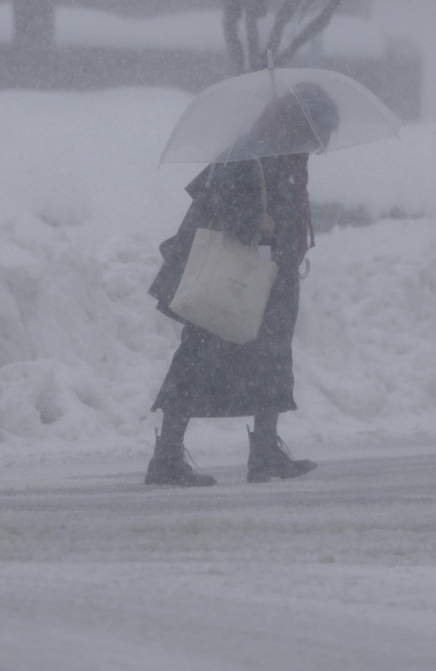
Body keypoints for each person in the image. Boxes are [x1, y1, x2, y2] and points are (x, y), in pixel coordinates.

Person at [145, 82, 340, 486]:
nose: (318, 145)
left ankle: (265, 452)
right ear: (300, 124)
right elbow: (216, 201)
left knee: (270, 362)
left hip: (266, 275)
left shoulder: (283, 153)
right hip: (231, 277)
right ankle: (167, 457)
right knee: (197, 360)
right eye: (317, 134)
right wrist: (256, 222)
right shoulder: (250, 151)